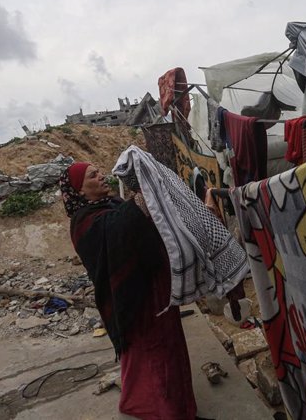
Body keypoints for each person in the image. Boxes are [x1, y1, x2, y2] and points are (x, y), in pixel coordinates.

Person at [59, 162, 197, 420]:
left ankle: (164, 403)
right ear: (79, 190)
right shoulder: (83, 223)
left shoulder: (111, 204)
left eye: (99, 171)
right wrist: (141, 200)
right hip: (131, 298)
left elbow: (135, 223)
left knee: (167, 347)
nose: (101, 176)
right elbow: (120, 230)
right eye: (92, 175)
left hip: (152, 289)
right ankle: (164, 410)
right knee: (154, 351)